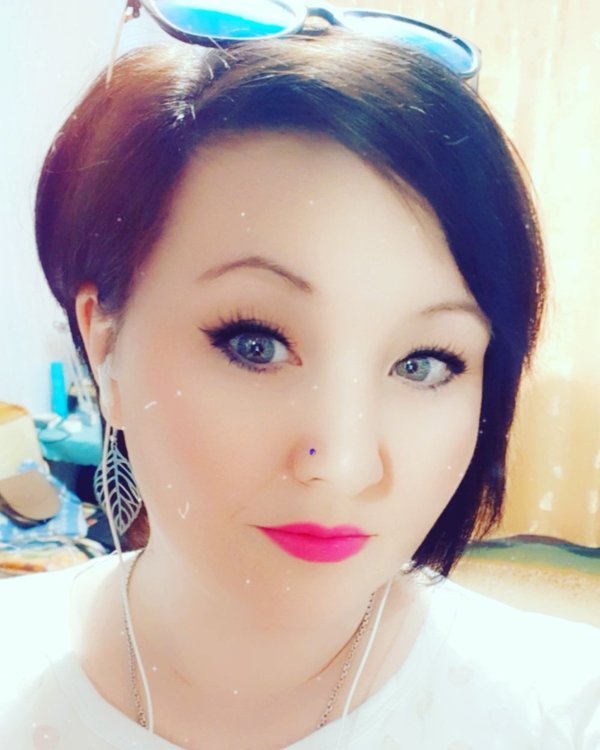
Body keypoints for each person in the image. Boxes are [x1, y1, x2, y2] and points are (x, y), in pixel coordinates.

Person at [1, 4, 598, 749]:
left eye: (423, 363)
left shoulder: (560, 714)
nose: (343, 463)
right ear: (105, 344)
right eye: (256, 344)